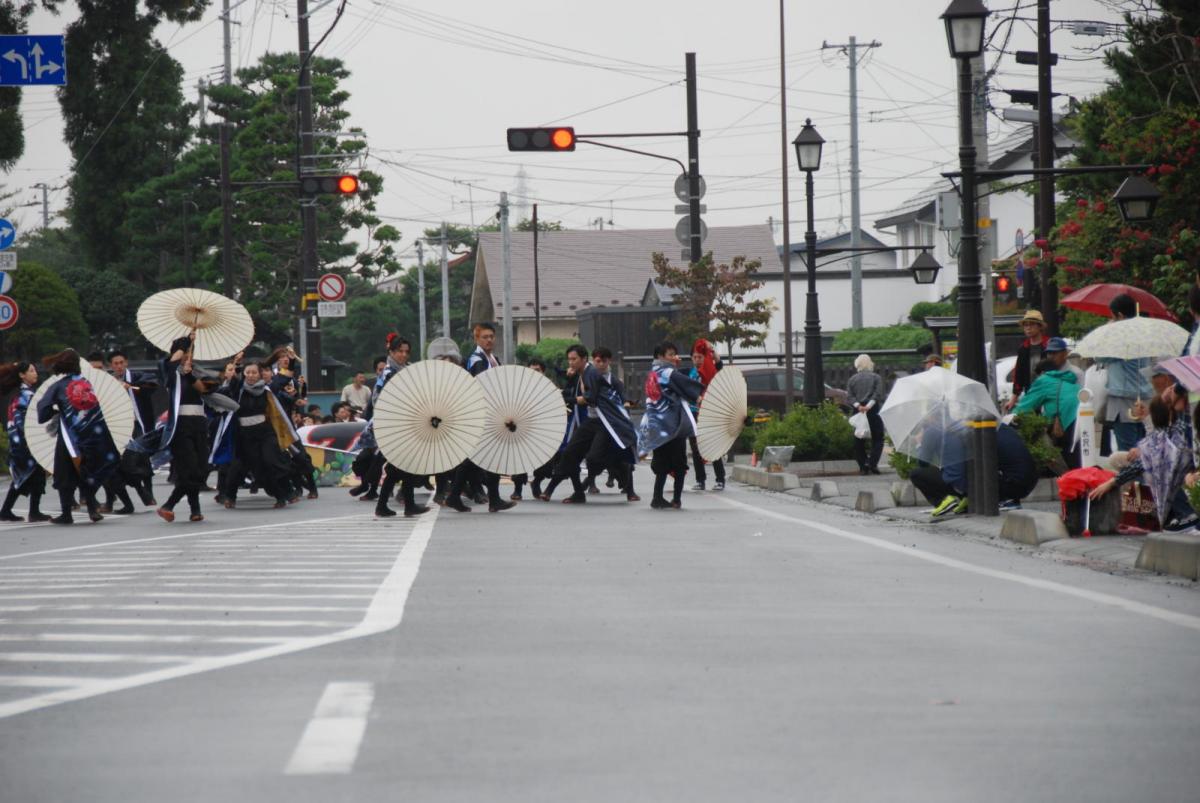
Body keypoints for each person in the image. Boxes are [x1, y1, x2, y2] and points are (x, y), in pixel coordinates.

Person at [37, 349, 120, 524]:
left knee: (64, 474)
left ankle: (66, 513)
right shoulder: (86, 383)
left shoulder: (57, 386)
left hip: (70, 439)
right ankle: (92, 509)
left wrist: (55, 410)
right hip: (92, 437)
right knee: (88, 471)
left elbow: (42, 413)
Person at [444, 323, 514, 513]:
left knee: (483, 457)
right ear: (476, 339)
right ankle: (467, 497)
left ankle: (467, 497)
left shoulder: (491, 358)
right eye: (485, 336)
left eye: (491, 336)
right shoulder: (477, 360)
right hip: (484, 414)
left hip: (489, 413)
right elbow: (483, 388)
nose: (489, 339)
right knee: (481, 457)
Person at [156, 335, 216, 523]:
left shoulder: (197, 372)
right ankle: (188, 508)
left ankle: (173, 506)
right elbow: (171, 363)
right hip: (180, 425)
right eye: (185, 352)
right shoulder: (169, 370)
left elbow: (203, 390)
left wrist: (190, 373)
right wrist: (183, 344)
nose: (187, 355)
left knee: (199, 468)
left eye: (191, 352)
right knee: (189, 468)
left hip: (199, 423)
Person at [638, 341, 704, 509]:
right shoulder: (668, 373)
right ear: (660, 356)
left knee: (661, 463)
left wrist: (675, 367)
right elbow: (685, 386)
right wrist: (699, 398)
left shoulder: (653, 373)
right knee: (679, 464)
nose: (674, 357)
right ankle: (676, 499)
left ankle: (657, 497)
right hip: (672, 425)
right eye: (670, 354)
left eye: (675, 353)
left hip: (657, 425)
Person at [1013, 338, 1081, 469]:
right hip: (1081, 416)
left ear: (1043, 373)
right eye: (1049, 353)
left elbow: (1024, 406)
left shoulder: (1044, 380)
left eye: (1055, 353)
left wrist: (1010, 418)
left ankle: (1071, 482)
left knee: (1067, 457)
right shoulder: (1068, 378)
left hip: (1066, 420)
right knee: (1077, 456)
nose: (1051, 356)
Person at [1100, 294, 1153, 452]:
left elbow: (1099, 356)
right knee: (1143, 450)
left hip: (1123, 400)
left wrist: (1108, 330)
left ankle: (1133, 478)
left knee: (1128, 453)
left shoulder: (1120, 337)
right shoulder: (1144, 333)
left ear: (1120, 316)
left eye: (1113, 317)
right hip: (1143, 396)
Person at [0, 362, 50, 522]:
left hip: (23, 441)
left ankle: (10, 510)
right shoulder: (25, 395)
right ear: (22, 375)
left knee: (26, 476)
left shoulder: (24, 393)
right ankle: (31, 512)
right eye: (31, 370)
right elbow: (26, 421)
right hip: (25, 443)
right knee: (29, 475)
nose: (35, 373)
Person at [688, 339, 725, 492]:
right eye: (694, 357)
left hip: (709, 414)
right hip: (693, 413)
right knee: (695, 448)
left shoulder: (711, 371)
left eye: (700, 357)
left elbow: (719, 366)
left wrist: (712, 353)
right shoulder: (690, 373)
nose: (697, 360)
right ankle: (700, 479)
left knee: (713, 446)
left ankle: (720, 479)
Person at [846, 353, 885, 475]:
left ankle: (863, 466)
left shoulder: (852, 379)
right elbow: (878, 394)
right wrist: (868, 406)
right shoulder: (876, 377)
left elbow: (850, 396)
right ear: (870, 364)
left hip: (858, 411)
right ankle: (872, 463)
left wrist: (859, 406)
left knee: (859, 438)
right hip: (873, 410)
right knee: (878, 437)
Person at [1007, 309, 1051, 410]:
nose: (1028, 328)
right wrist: (1013, 400)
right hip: (1030, 394)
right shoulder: (1023, 349)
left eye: (1031, 324)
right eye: (1025, 325)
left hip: (1049, 395)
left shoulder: (1049, 346)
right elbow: (1018, 376)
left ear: (1040, 326)